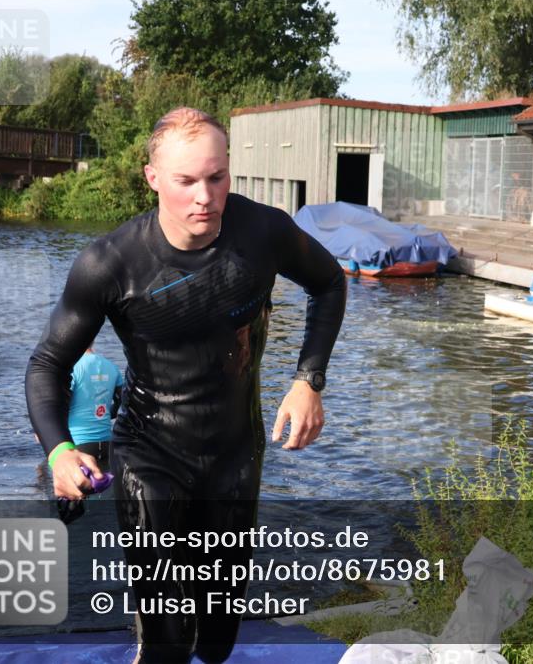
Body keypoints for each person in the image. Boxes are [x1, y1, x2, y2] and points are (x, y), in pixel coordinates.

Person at [25, 106, 346, 663]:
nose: (205, 196)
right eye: (187, 181)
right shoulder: (110, 264)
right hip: (151, 453)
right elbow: (47, 365)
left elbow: (329, 283)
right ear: (154, 179)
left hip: (236, 452)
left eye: (216, 177)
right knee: (170, 638)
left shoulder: (262, 232)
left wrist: (307, 380)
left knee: (219, 639)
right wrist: (59, 451)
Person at [66, 342, 122, 465]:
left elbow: (61, 404)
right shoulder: (112, 367)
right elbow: (122, 401)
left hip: (78, 444)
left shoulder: (72, 368)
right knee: (103, 483)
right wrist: (109, 413)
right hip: (107, 443)